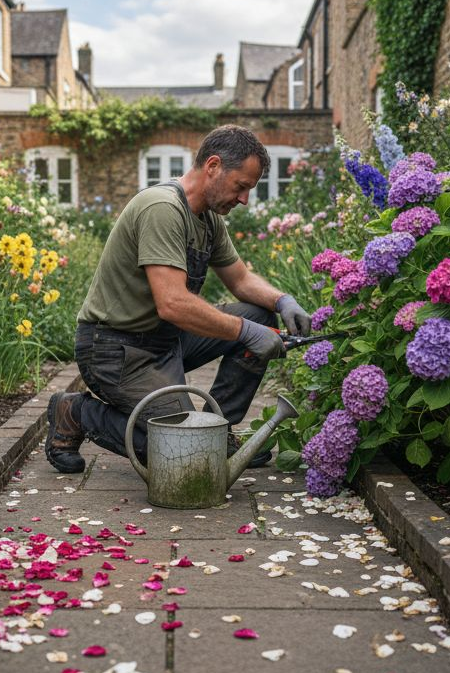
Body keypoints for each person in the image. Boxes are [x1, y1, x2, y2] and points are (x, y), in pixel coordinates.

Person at [44, 125, 311, 473]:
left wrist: (283, 301)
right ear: (213, 166)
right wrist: (243, 331)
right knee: (182, 452)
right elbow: (171, 303)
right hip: (115, 350)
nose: (244, 198)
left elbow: (241, 280)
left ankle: (219, 431)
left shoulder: (209, 219)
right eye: (241, 186)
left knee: (260, 317)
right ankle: (76, 412)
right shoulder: (163, 208)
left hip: (165, 341)